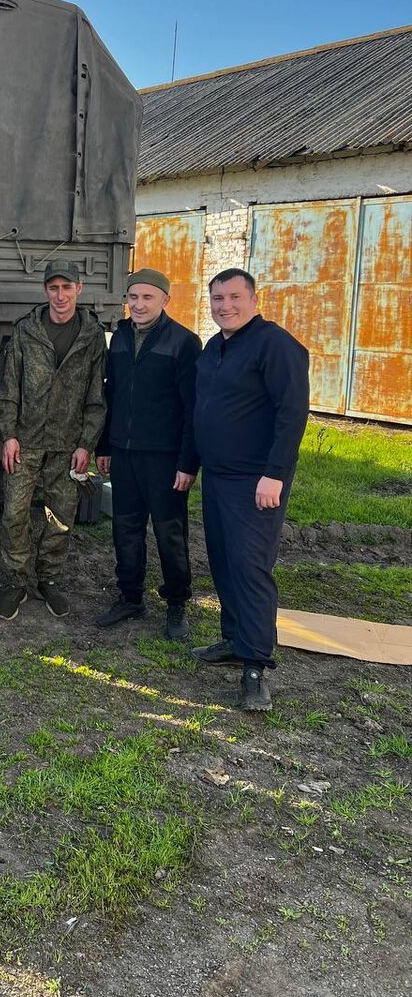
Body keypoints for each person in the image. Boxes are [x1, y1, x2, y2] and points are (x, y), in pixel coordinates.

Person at [191, 268, 309, 711]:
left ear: (254, 300)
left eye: (234, 297)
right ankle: (233, 640)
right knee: (223, 562)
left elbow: (292, 412)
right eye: (218, 298)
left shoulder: (275, 345)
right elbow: (203, 409)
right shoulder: (215, 348)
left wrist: (275, 473)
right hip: (218, 477)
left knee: (250, 568)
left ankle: (255, 667)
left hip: (256, 481)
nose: (225, 306)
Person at [0, 261, 106, 621]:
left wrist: (86, 444)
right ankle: (16, 581)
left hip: (68, 442)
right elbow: (9, 388)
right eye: (54, 288)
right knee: (14, 513)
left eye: (67, 287)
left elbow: (96, 395)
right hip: (26, 439)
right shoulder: (26, 330)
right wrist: (9, 435)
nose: (60, 295)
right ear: (45, 291)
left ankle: (50, 579)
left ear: (79, 288)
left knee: (61, 515)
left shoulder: (92, 336)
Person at [95, 268, 201, 639]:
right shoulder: (120, 336)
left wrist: (187, 462)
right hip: (124, 454)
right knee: (125, 528)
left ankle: (176, 603)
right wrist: (105, 445)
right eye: (133, 297)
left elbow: (192, 408)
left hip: (165, 458)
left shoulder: (184, 342)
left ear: (165, 300)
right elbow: (112, 394)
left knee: (170, 532)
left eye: (148, 297)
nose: (139, 304)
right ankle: (130, 597)